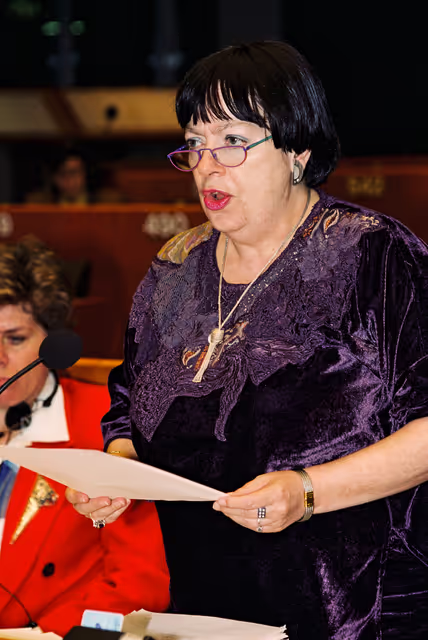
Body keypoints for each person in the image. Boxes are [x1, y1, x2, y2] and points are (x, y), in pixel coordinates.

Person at [67, 41, 428, 639]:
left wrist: (308, 492)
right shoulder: (175, 270)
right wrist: (119, 473)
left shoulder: (374, 257)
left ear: (296, 152)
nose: (208, 166)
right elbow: (129, 410)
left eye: (233, 141)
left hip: (359, 608)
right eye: (195, 144)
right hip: (207, 607)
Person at [0, 238, 169, 636]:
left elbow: (139, 585)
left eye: (15, 338)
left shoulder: (109, 427)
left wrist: (46, 637)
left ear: (52, 343)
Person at [26, 148, 122, 205]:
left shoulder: (106, 203)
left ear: (85, 174)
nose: (69, 180)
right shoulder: (41, 204)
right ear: (54, 178)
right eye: (62, 174)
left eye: (74, 173)